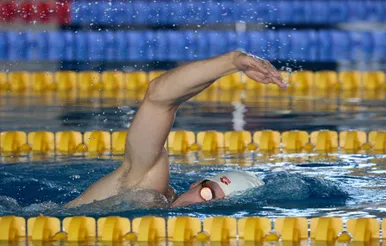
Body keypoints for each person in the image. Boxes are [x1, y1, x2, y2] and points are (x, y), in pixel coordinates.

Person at [65, 51, 286, 208]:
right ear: (196, 184)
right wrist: (233, 62)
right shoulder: (149, 185)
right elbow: (159, 98)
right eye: (207, 193)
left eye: (214, 206)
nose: (201, 204)